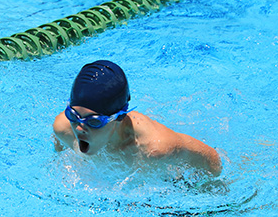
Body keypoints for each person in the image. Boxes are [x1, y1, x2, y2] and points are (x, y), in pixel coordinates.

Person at [53, 60, 222, 176]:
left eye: (94, 122)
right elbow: (60, 151)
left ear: (118, 117)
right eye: (73, 115)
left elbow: (211, 158)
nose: (79, 128)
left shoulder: (155, 149)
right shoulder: (63, 129)